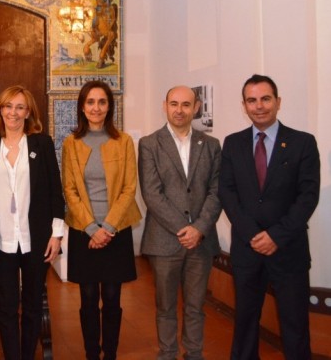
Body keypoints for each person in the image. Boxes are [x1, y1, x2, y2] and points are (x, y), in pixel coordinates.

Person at [218, 74, 320, 359]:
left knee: (295, 325)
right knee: (245, 324)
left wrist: (276, 235)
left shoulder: (302, 143)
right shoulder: (233, 143)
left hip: (288, 250)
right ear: (244, 105)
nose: (259, 106)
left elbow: (307, 197)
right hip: (247, 251)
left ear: (278, 102)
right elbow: (227, 193)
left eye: (265, 99)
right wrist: (253, 235)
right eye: (252, 100)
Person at [0, 86, 65, 360]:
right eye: (8, 106)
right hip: (1, 239)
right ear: (0, 110)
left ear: (28, 113)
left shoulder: (42, 144)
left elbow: (55, 191)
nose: (13, 112)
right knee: (6, 306)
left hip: (35, 238)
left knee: (33, 305)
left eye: (20, 107)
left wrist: (56, 235)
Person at [138, 86, 222, 360]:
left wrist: (198, 228)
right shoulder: (150, 143)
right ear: (165, 106)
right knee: (165, 306)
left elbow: (216, 191)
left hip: (201, 240)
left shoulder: (211, 145)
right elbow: (152, 194)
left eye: (186, 104)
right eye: (174, 103)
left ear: (196, 107)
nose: (179, 109)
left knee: (196, 306)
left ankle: (194, 354)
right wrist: (182, 228)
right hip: (164, 240)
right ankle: (168, 353)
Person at [61, 80, 142, 360]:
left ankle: (111, 354)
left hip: (115, 230)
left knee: (111, 298)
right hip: (84, 231)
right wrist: (92, 228)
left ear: (110, 106)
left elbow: (129, 188)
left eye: (102, 102)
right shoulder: (71, 143)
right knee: (86, 299)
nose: (96, 108)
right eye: (91, 102)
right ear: (82, 107)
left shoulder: (124, 142)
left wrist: (107, 228)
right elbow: (69, 190)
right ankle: (91, 354)